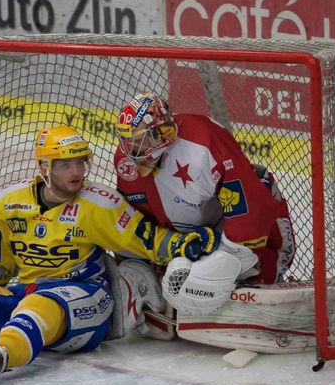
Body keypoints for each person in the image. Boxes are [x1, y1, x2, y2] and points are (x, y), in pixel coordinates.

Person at [0, 125, 217, 385]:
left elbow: (147, 239)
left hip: (87, 299)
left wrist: (186, 245)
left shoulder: (99, 204)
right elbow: (0, 263)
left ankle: (1, 355)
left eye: (81, 161)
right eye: (65, 164)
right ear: (44, 166)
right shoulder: (10, 201)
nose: (77, 171)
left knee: (37, 305)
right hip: (28, 293)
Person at [114, 92, 296, 319]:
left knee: (246, 274)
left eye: (140, 141)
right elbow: (137, 218)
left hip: (236, 222)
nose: (131, 150)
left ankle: (259, 286)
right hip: (192, 237)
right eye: (128, 141)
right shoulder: (125, 161)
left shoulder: (205, 141)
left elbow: (249, 205)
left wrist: (225, 261)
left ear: (164, 133)